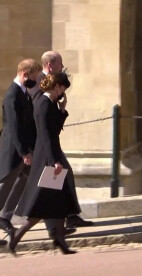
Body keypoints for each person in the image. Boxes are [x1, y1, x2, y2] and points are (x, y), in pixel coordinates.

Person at [8, 72, 79, 255]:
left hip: (51, 156)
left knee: (57, 201)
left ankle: (59, 240)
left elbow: (54, 130)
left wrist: (62, 110)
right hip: (48, 158)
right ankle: (17, 238)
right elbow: (46, 136)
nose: (63, 92)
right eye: (63, 88)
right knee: (42, 204)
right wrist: (53, 161)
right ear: (57, 87)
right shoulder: (44, 104)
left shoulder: (49, 103)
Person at [28, 50, 94, 229]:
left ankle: (65, 218)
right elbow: (41, 115)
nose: (62, 67)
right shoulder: (40, 84)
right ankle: (50, 224)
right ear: (50, 65)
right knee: (50, 182)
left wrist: (61, 110)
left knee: (60, 178)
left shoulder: (51, 85)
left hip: (48, 142)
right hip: (42, 144)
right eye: (59, 64)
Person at [0, 59, 42, 246]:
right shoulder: (13, 94)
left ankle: (5, 217)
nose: (36, 81)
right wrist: (24, 152)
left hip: (24, 150)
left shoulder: (24, 92)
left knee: (22, 180)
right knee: (5, 186)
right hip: (14, 151)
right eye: (34, 77)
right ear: (25, 74)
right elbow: (14, 127)